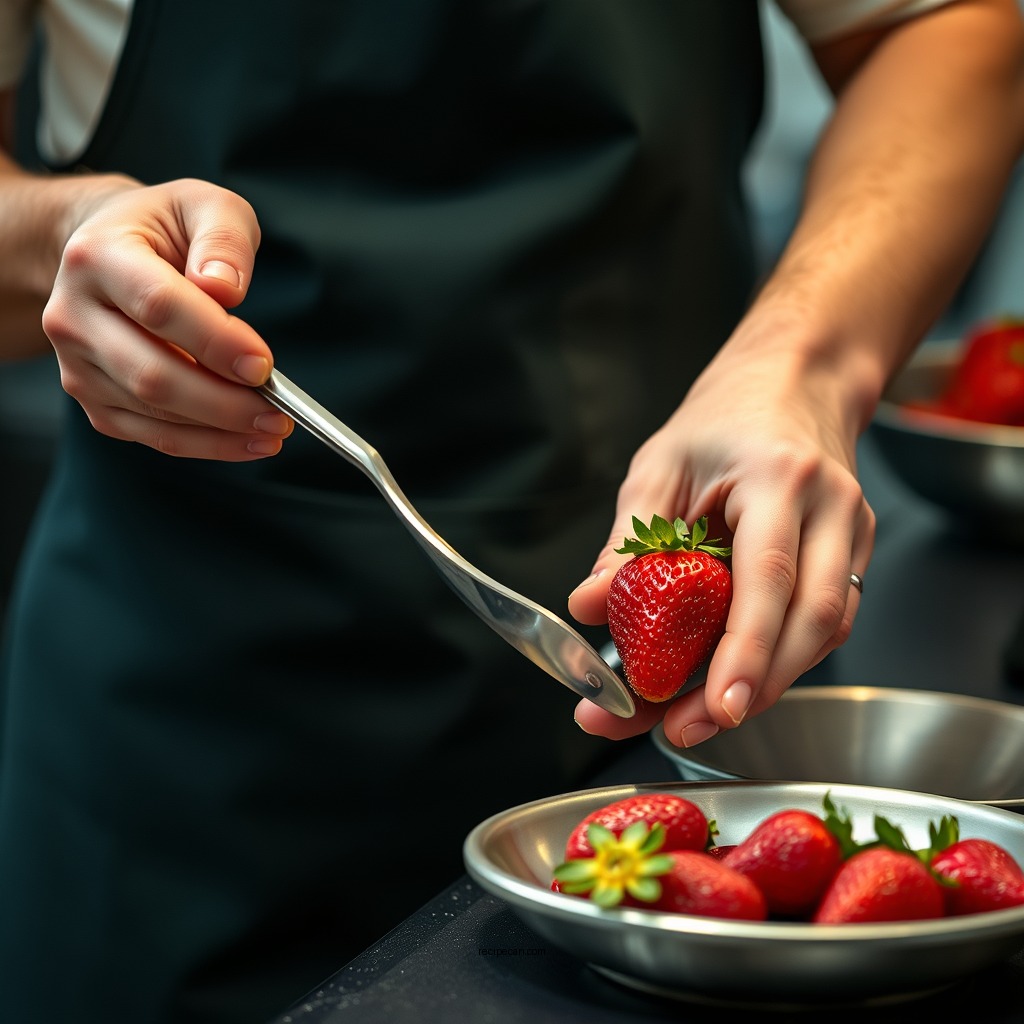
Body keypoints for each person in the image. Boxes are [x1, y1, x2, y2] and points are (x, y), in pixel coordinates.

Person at [1, 1, 1022, 1021]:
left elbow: (946, 28)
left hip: (683, 712)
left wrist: (799, 360)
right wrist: (64, 236)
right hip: (177, 743)